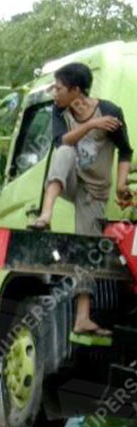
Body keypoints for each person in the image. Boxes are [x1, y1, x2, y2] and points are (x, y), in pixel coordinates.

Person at [30, 62, 133, 336]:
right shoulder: (60, 110)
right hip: (71, 179)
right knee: (64, 152)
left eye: (59, 87)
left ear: (76, 90)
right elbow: (61, 141)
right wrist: (92, 126)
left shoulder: (110, 111)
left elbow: (125, 151)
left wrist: (121, 184)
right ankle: (46, 214)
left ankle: (82, 318)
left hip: (95, 191)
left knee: (85, 246)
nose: (55, 92)